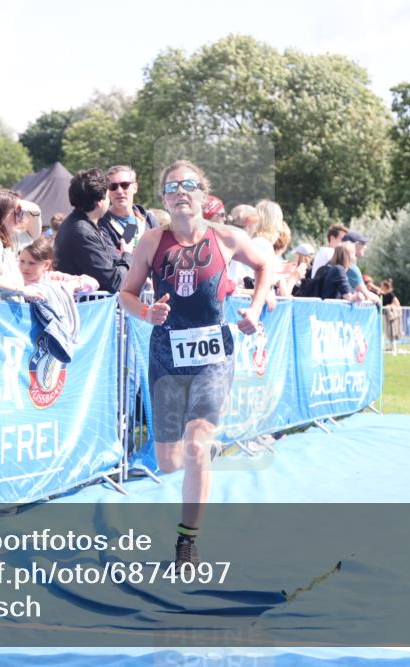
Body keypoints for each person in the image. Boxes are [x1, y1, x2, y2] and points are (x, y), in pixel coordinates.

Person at [117, 160, 271, 567]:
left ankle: (187, 540)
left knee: (197, 444)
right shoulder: (152, 241)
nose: (180, 192)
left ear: (204, 195)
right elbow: (126, 294)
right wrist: (146, 313)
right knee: (168, 462)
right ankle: (203, 456)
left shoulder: (227, 237)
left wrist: (255, 308)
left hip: (213, 354)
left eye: (188, 186)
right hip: (166, 352)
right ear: (164, 199)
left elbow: (265, 265)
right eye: (171, 187)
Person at [54, 169, 128, 293]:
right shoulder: (82, 232)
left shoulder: (86, 225)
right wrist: (128, 256)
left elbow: (113, 260)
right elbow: (113, 282)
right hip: (84, 309)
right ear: (100, 202)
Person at [99, 165, 160, 255]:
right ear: (107, 191)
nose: (119, 191)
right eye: (113, 186)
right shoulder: (100, 224)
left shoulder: (148, 219)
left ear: (135, 188)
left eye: (125, 185)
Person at [18, 237, 98, 293]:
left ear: (46, 265)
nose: (25, 267)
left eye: (32, 263)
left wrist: (72, 285)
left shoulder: (54, 278)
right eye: (22, 261)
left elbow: (94, 283)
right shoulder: (14, 279)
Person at [381, 278, 402, 355]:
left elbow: (397, 304)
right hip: (383, 316)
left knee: (391, 333)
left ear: (385, 287)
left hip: (389, 317)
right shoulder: (383, 294)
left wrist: (389, 306)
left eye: (382, 286)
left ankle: (394, 349)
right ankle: (383, 349)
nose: (381, 287)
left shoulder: (391, 295)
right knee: (383, 333)